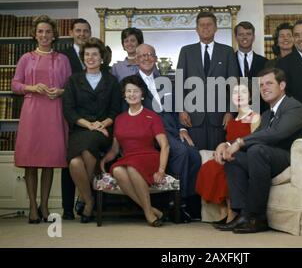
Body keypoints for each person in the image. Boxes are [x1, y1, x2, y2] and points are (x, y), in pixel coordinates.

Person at [215, 67, 302, 233]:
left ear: (282, 85)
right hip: (271, 158)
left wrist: (239, 142)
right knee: (234, 157)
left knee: (257, 150)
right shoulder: (268, 115)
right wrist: (225, 145)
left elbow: (276, 134)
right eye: (261, 85)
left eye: (269, 83)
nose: (264, 88)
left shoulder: (293, 107)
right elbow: (257, 135)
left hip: (296, 159)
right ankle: (241, 215)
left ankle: (257, 217)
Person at [11, 15, 71, 223]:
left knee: (49, 161)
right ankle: (32, 207)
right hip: (32, 111)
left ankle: (44, 205)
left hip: (54, 111)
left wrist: (60, 91)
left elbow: (70, 87)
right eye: (40, 31)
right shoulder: (26, 58)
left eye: (48, 31)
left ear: (54, 35)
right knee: (30, 161)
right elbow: (15, 85)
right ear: (35, 35)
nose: (44, 35)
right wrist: (32, 87)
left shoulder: (63, 59)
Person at [137, 43, 202, 221]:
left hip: (172, 129)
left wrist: (182, 129)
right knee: (181, 152)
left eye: (150, 55)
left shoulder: (165, 81)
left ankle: (189, 201)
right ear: (137, 60)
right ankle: (175, 204)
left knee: (194, 154)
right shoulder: (132, 83)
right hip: (151, 132)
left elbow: (175, 109)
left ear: (156, 59)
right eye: (143, 55)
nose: (147, 58)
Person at [62, 37, 122, 223]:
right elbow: (69, 110)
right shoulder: (73, 80)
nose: (91, 58)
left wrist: (102, 124)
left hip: (104, 131)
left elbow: (115, 110)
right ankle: (89, 199)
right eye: (87, 54)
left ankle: (85, 201)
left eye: (94, 54)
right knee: (74, 164)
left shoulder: (111, 81)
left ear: (101, 58)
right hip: (80, 129)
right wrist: (90, 125)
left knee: (89, 148)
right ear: (83, 57)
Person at [100, 75, 169, 227]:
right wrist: (104, 161)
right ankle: (150, 209)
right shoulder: (119, 119)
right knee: (117, 170)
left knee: (131, 167)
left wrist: (161, 170)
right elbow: (115, 148)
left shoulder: (153, 117)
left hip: (149, 157)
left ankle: (148, 214)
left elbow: (165, 145)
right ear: (124, 95)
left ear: (142, 94)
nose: (132, 94)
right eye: (128, 91)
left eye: (135, 91)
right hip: (129, 158)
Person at [195, 81, 261, 225]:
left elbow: (255, 140)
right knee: (209, 167)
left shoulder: (254, 117)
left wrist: (229, 147)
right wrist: (222, 147)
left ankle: (233, 213)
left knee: (223, 168)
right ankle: (225, 210)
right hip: (229, 155)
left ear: (250, 98)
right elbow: (229, 141)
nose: (238, 96)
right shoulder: (232, 120)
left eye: (243, 92)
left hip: (244, 155)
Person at [177, 11, 239, 150]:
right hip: (193, 117)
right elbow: (180, 83)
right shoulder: (186, 51)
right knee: (196, 159)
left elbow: (234, 85)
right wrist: (181, 110)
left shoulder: (227, 51)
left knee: (217, 158)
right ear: (197, 29)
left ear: (216, 28)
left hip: (219, 117)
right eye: (202, 25)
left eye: (209, 24)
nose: (205, 28)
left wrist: (230, 112)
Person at [60, 18, 92, 220]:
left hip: (92, 117)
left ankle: (85, 200)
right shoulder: (63, 56)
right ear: (72, 32)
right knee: (68, 162)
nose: (82, 34)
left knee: (87, 159)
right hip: (70, 117)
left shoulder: (95, 53)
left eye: (85, 31)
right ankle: (67, 208)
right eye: (78, 30)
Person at [234, 21, 268, 113]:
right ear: (236, 37)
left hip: (259, 113)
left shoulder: (264, 62)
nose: (245, 37)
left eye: (248, 34)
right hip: (235, 114)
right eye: (241, 34)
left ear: (253, 37)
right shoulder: (229, 61)